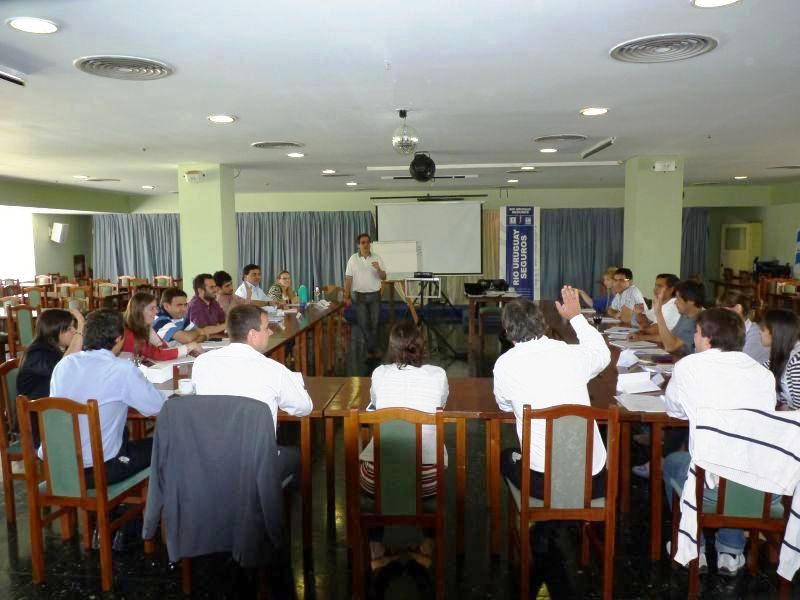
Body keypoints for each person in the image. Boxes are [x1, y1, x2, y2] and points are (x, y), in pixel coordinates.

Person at [662, 308, 775, 575]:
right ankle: (731, 552)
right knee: (734, 466)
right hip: (758, 484)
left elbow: (674, 410)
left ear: (708, 338)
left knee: (674, 462)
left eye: (696, 333)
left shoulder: (689, 366)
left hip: (709, 482)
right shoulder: (763, 374)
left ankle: (695, 547)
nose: (693, 338)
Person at [495, 288, 610, 502]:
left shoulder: (504, 365)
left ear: (507, 330)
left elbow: (504, 406)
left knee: (505, 457)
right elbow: (602, 355)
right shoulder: (572, 354)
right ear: (543, 323)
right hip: (592, 482)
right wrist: (576, 317)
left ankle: (536, 518)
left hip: (543, 484)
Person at [358, 321, 448, 567]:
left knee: (375, 467)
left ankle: (375, 549)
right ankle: (427, 547)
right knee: (431, 466)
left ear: (392, 347)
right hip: (427, 479)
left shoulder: (379, 373)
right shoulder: (438, 375)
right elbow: (442, 404)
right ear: (421, 346)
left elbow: (375, 402)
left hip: (378, 477)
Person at [192, 304, 313, 483]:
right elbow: (305, 407)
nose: (270, 332)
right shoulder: (273, 369)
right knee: (300, 457)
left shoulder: (201, 363)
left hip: (209, 459)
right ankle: (275, 499)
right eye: (266, 328)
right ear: (252, 334)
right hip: (256, 463)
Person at [49, 309, 166, 487]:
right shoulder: (121, 369)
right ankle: (152, 502)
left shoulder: (64, 364)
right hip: (99, 470)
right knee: (166, 443)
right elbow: (157, 407)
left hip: (60, 467)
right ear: (119, 339)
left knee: (122, 434)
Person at [18, 308, 84, 402]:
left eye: (74, 327)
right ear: (53, 330)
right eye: (69, 328)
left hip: (53, 402)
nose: (74, 331)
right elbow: (64, 368)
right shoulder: (36, 353)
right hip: (38, 408)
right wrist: (81, 328)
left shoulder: (56, 348)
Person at [122, 292, 202, 361]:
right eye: (152, 308)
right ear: (139, 311)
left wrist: (187, 350)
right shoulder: (128, 334)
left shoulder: (146, 327)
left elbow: (163, 348)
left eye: (156, 307)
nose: (156, 311)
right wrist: (188, 347)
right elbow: (156, 354)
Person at [344, 233, 386, 354]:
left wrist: (378, 269)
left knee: (374, 324)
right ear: (358, 245)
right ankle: (372, 346)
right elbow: (348, 279)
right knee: (363, 324)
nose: (366, 245)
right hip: (359, 297)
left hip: (375, 296)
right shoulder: (353, 259)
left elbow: (384, 277)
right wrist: (346, 296)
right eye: (363, 242)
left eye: (368, 242)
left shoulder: (377, 257)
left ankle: (371, 348)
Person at [760, 309, 800, 409]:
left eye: (763, 329)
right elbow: (757, 371)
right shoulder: (781, 355)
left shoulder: (797, 361)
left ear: (774, 332)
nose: (759, 332)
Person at [653, 279, 704, 355]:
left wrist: (658, 313)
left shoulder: (700, 321)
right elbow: (669, 337)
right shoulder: (685, 315)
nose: (675, 302)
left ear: (691, 301)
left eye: (678, 299)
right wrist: (640, 338)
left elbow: (670, 346)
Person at [721, 292, 769, 364]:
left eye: (722, 312)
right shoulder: (735, 331)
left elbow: (736, 364)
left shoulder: (756, 335)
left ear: (738, 309)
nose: (719, 317)